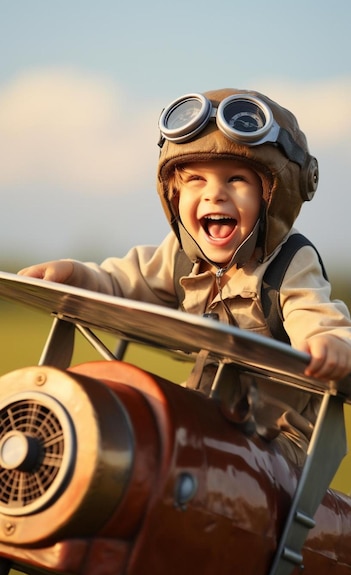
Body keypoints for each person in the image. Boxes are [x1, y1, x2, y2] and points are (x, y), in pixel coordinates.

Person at [19, 87, 351, 466]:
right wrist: (77, 274)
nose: (214, 196)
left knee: (178, 451)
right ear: (174, 194)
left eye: (236, 179)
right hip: (208, 419)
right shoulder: (181, 256)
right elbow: (122, 282)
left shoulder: (289, 263)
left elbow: (317, 313)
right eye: (195, 180)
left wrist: (329, 343)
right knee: (125, 422)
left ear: (275, 195)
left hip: (275, 446)